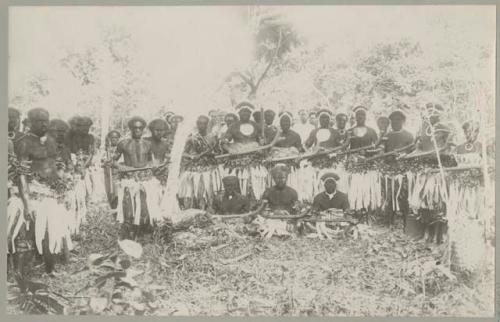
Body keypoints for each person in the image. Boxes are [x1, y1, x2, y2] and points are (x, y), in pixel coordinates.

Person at [14, 108, 74, 276]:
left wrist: (63, 190)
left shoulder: (51, 141)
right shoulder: (24, 142)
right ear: (30, 122)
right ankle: (20, 273)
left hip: (52, 192)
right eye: (39, 121)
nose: (44, 124)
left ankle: (50, 269)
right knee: (27, 234)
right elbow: (21, 175)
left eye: (45, 120)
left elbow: (56, 167)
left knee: (52, 231)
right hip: (33, 192)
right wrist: (27, 204)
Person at [112, 116, 158, 240]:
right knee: (129, 207)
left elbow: (150, 161)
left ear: (143, 129)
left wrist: (152, 166)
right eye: (135, 128)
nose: (137, 130)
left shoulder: (148, 144)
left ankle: (144, 233)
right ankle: (129, 234)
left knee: (145, 206)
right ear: (131, 129)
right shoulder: (123, 144)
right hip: (129, 179)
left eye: (140, 128)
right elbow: (112, 161)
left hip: (145, 179)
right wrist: (120, 167)